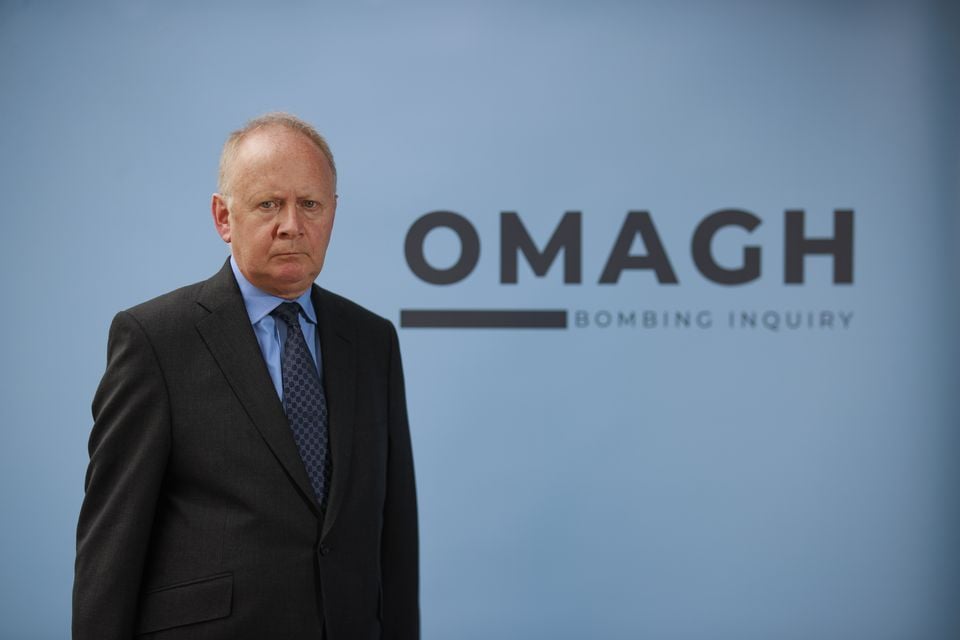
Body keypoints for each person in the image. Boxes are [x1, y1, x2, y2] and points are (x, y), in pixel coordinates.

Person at [73, 113, 419, 640]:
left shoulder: (372, 341)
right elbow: (111, 547)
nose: (291, 225)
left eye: (309, 204)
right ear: (223, 217)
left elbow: (393, 537)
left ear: (332, 213)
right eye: (267, 204)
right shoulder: (155, 339)